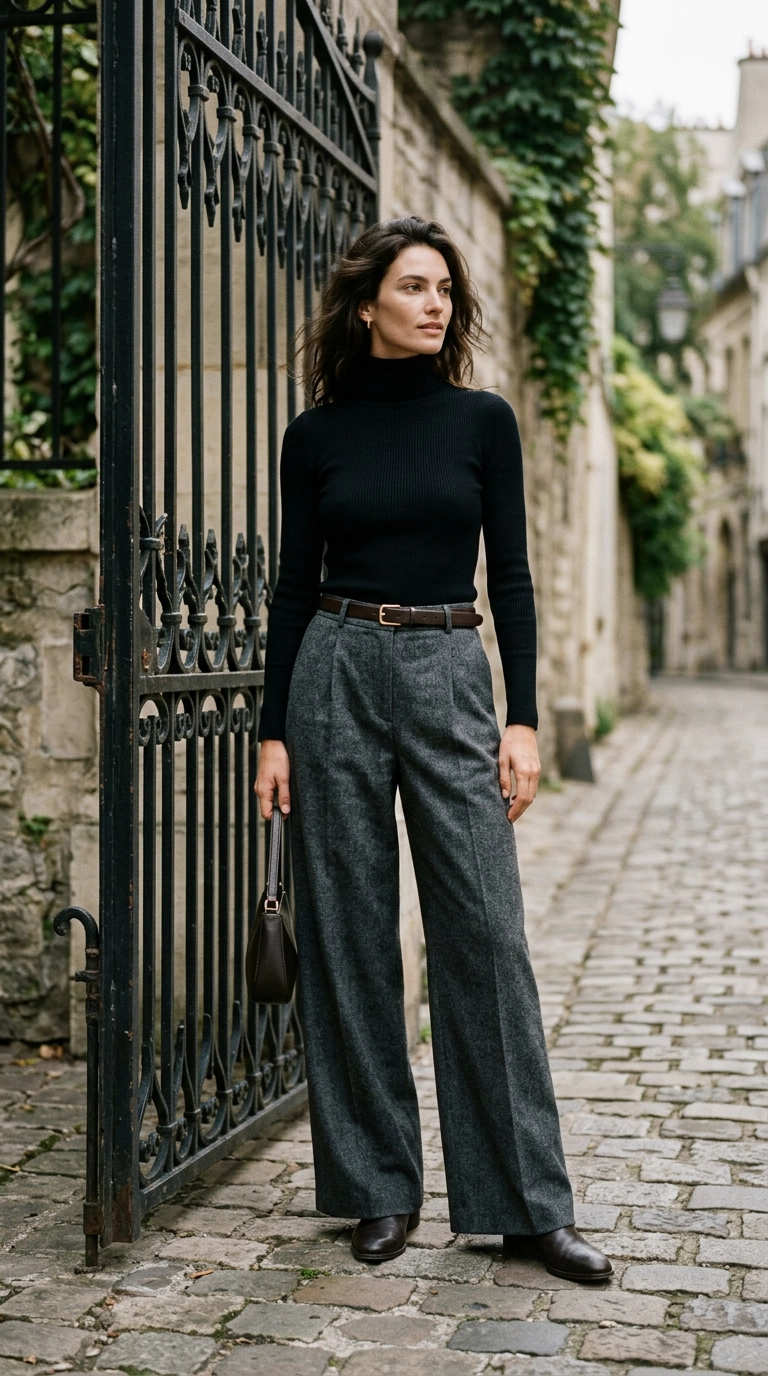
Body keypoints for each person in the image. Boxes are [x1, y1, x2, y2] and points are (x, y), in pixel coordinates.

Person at [255, 216, 611, 1282]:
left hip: (453, 665)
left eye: (446, 289)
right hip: (335, 666)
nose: (436, 303)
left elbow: (513, 575)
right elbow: (286, 589)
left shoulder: (482, 422)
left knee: (487, 932)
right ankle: (377, 1185)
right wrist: (273, 727)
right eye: (414, 286)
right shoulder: (314, 436)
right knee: (351, 926)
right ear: (366, 304)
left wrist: (524, 716)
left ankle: (526, 1202)